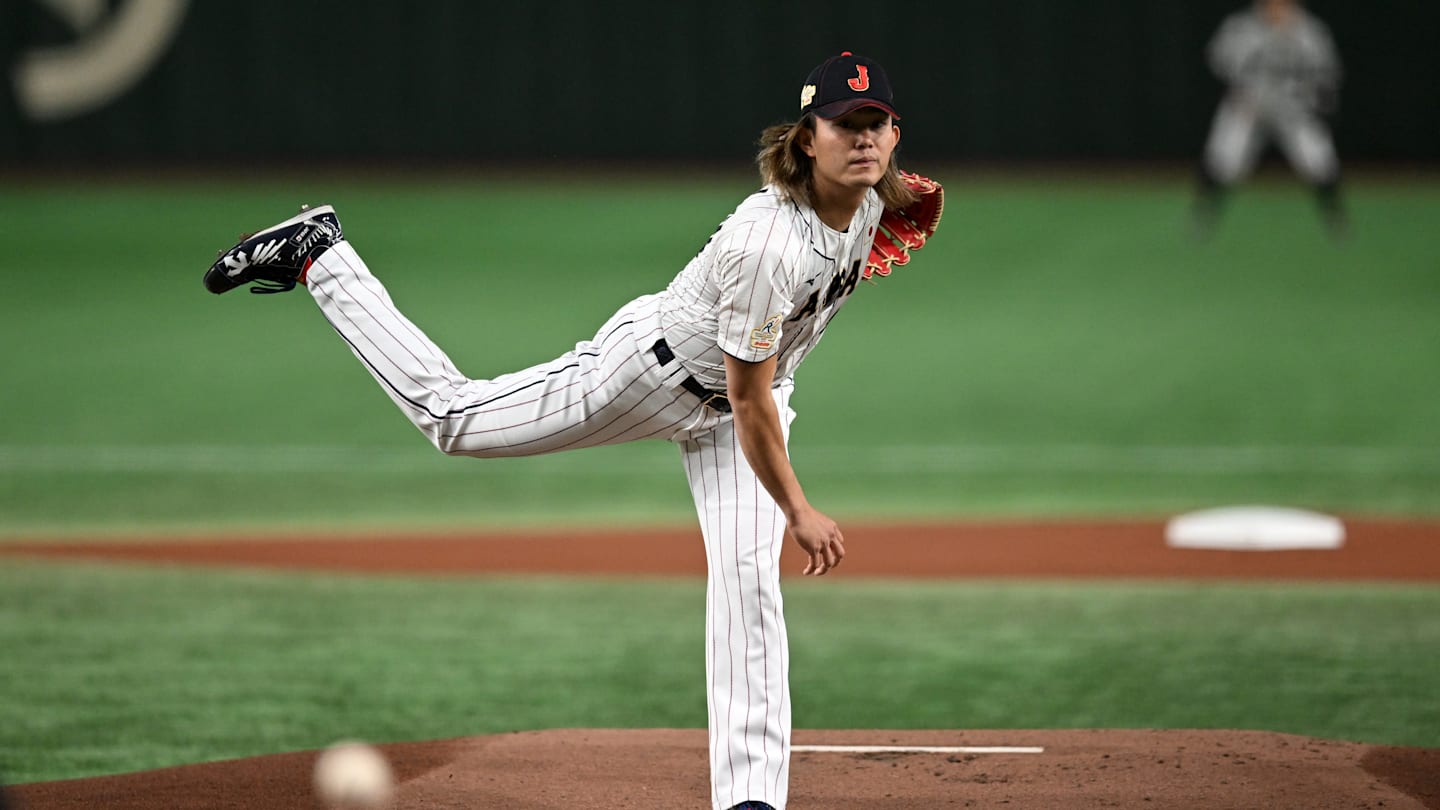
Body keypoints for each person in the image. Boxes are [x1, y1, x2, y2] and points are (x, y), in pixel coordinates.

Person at [202, 52, 938, 810]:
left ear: (895, 133)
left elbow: (773, 363)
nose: (864, 139)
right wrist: (798, 510)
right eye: (845, 125)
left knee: (749, 584)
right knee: (454, 419)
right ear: (806, 138)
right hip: (650, 375)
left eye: (876, 124)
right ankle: (322, 257)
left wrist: (896, 192)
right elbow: (750, 401)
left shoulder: (873, 202)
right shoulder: (765, 245)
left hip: (736, 407)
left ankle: (750, 799)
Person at [1193, 0, 1346, 237]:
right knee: (1225, 156)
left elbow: (1328, 74)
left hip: (1292, 108)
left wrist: (1313, 99)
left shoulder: (1310, 32)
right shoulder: (1242, 27)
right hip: (1250, 106)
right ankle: (1204, 214)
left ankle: (1335, 216)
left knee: (1317, 156)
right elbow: (1217, 58)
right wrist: (1237, 89)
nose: (1276, 6)